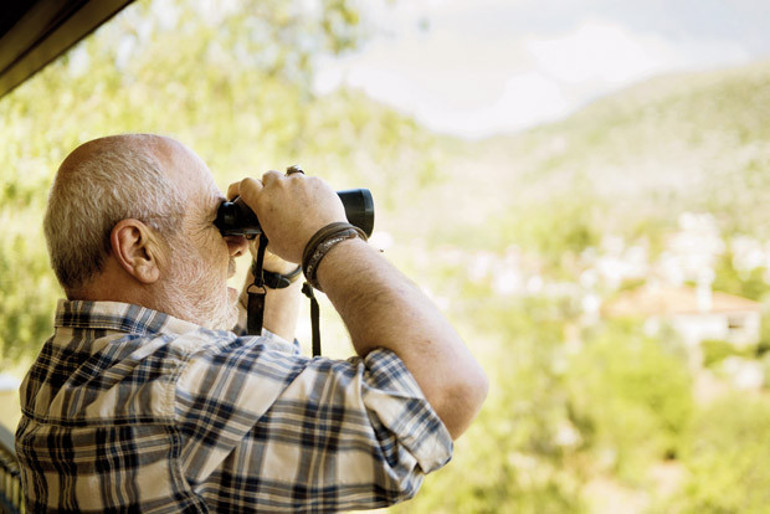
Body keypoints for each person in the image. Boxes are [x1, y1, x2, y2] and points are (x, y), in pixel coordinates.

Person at [15, 134, 488, 512]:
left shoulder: (62, 367)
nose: (237, 247)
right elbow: (444, 390)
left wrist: (276, 268)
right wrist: (324, 236)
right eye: (216, 224)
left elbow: (242, 384)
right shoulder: (172, 390)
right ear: (140, 250)